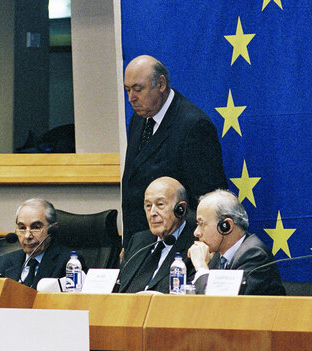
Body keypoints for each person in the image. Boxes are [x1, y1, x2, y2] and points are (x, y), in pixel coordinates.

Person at [121, 55, 227, 246]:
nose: (131, 98)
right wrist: (128, 245)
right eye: (127, 90)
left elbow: (208, 202)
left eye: (138, 89)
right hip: (139, 245)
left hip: (176, 248)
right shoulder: (139, 120)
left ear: (161, 84)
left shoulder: (193, 126)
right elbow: (133, 185)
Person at [189, 189, 285, 295]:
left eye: (202, 223)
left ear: (226, 226)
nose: (196, 232)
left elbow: (222, 304)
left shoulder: (254, 255)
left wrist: (201, 267)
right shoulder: (216, 257)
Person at [115, 177, 196, 293]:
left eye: (160, 204)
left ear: (180, 209)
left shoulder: (195, 246)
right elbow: (120, 288)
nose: (152, 213)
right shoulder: (139, 242)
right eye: (148, 206)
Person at [0, 198, 84, 289]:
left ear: (53, 229)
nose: (27, 236)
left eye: (35, 227)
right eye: (22, 228)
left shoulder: (69, 263)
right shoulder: (3, 263)